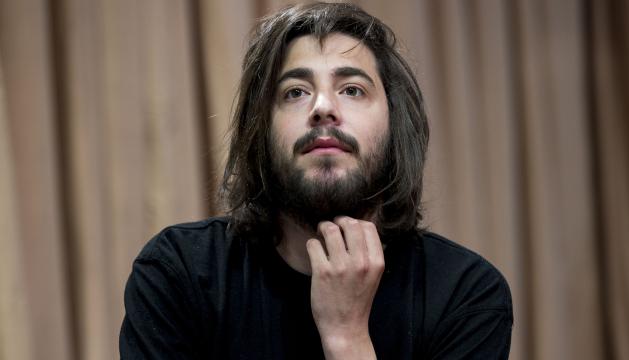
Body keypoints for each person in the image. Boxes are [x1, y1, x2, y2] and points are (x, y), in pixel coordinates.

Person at [119, 2, 513, 359]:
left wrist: (347, 338)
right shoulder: (179, 274)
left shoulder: (466, 295)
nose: (323, 108)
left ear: (395, 127)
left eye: (352, 89)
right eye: (295, 92)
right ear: (261, 132)